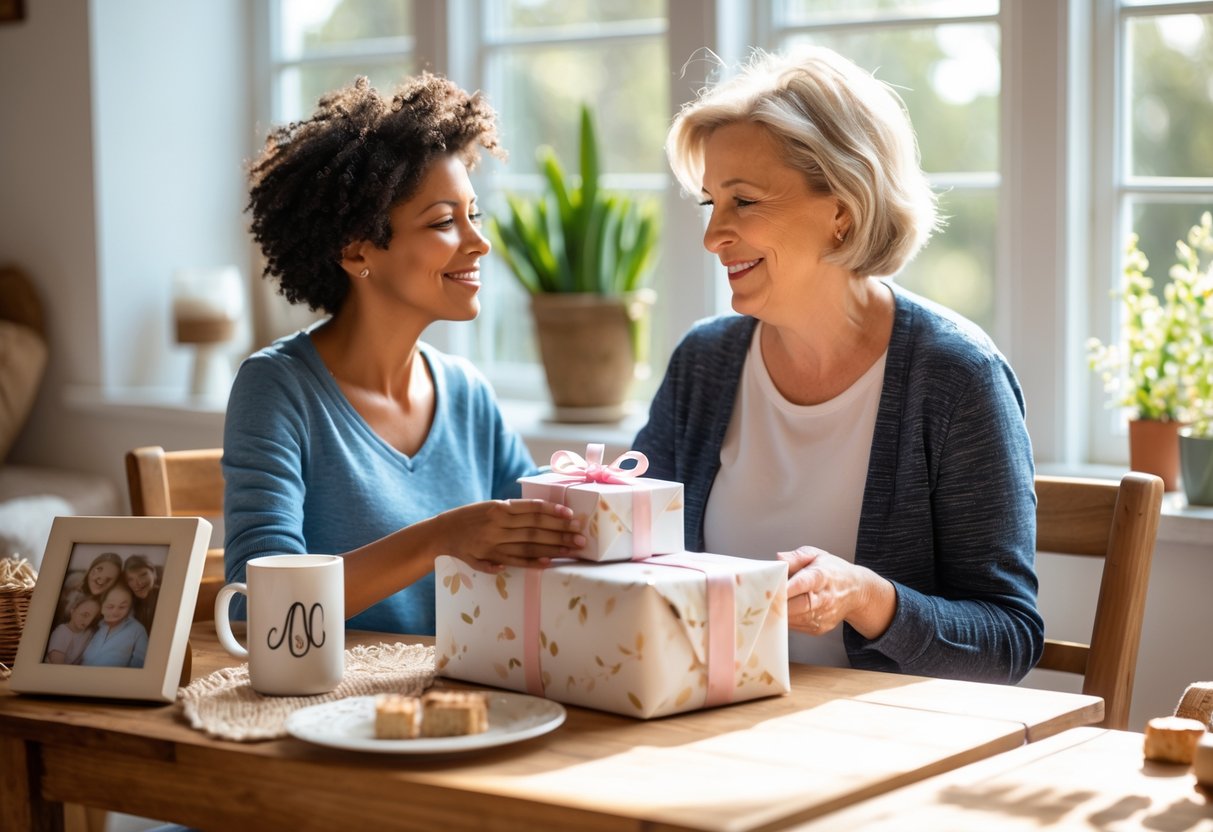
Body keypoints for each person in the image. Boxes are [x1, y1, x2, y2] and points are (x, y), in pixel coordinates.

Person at [633, 47, 1043, 684]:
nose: (713, 237)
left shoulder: (957, 378)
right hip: (712, 724)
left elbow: (1009, 640)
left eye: (743, 202)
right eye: (710, 203)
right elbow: (637, 557)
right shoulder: (704, 363)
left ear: (842, 211)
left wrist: (868, 600)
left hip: (887, 744)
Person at [226, 73, 585, 636]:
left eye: (474, 215)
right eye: (444, 221)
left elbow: (537, 525)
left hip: (464, 701)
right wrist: (442, 539)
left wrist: (593, 492)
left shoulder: (465, 392)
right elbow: (259, 608)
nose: (479, 242)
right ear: (356, 250)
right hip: (331, 711)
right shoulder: (277, 388)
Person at [80, 582, 148, 668]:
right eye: (110, 606)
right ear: (101, 606)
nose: (115, 612)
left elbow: (140, 663)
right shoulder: (93, 625)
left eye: (122, 607)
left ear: (129, 608)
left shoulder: (137, 630)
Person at [44, 595, 101, 665]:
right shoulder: (61, 632)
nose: (88, 621)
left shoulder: (88, 632)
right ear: (73, 610)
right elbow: (57, 664)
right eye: (85, 615)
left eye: (93, 618)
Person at [123, 554, 160, 634]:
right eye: (130, 579)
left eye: (143, 575)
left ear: (154, 573)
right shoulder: (129, 602)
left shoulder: (165, 595)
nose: (138, 583)